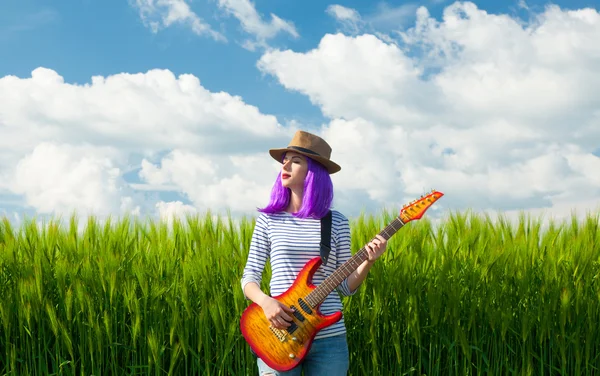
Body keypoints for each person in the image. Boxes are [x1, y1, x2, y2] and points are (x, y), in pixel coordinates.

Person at [241, 130, 387, 375]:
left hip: (328, 338)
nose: (285, 164)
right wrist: (266, 303)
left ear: (314, 173)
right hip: (278, 334)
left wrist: (368, 261)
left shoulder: (337, 222)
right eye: (285, 159)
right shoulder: (269, 220)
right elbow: (249, 276)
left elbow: (345, 287)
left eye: (295, 161)